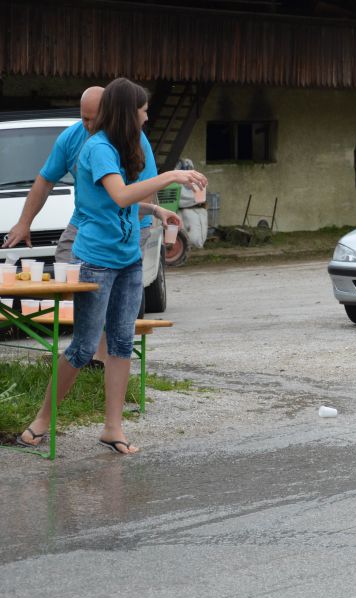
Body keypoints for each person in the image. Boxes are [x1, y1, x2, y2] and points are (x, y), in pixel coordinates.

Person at [16, 77, 206, 454]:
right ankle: (41, 420)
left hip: (128, 260)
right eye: (143, 110)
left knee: (121, 344)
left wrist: (155, 208)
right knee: (84, 348)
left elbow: (123, 200)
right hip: (96, 261)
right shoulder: (98, 148)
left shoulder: (126, 145)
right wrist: (170, 175)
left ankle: (112, 428)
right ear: (126, 112)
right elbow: (118, 196)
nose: (148, 117)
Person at [2, 85, 181, 366]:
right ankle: (84, 347)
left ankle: (99, 356)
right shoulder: (75, 138)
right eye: (83, 118)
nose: (87, 125)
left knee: (114, 295)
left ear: (111, 113)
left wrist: (152, 211)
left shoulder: (134, 140)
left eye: (93, 118)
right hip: (87, 220)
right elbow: (45, 179)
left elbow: (137, 194)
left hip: (129, 221)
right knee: (70, 271)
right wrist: (24, 222)